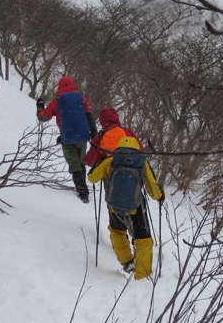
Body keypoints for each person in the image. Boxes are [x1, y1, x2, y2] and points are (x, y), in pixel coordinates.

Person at [87, 135, 164, 280]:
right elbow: (152, 188)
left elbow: (91, 178)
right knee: (143, 239)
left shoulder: (111, 161)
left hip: (114, 206)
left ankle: (128, 262)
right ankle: (143, 275)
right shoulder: (142, 163)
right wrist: (160, 196)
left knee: (117, 232)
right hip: (136, 207)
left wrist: (101, 166)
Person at [36, 76, 97, 203]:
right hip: (82, 136)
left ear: (59, 87)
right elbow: (89, 116)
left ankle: (82, 191)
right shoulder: (81, 99)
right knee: (81, 161)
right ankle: (83, 186)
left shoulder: (57, 102)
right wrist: (93, 133)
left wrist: (40, 107)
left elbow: (43, 117)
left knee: (74, 164)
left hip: (68, 137)